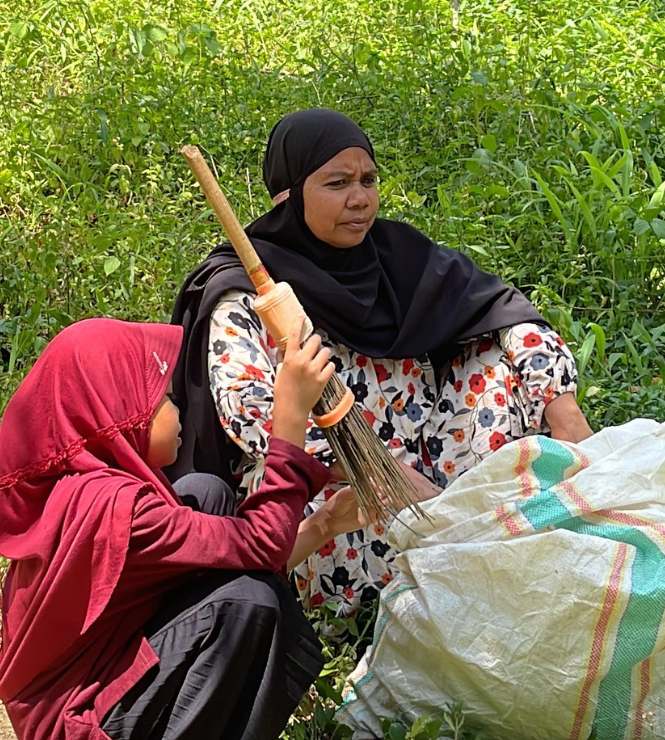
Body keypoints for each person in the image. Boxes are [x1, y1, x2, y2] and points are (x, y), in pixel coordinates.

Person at [169, 109, 594, 628]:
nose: (360, 199)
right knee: (297, 488)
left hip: (430, 466)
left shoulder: (398, 257)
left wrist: (565, 412)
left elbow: (504, 310)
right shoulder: (244, 289)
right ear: (289, 195)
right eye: (337, 183)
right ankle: (419, 584)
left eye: (368, 180)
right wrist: (382, 476)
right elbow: (252, 414)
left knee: (499, 359)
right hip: (337, 498)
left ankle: (484, 542)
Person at [0, 317, 374, 740]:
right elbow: (259, 549)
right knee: (247, 605)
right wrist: (289, 418)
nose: (179, 411)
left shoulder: (94, 486)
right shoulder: (119, 513)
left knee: (204, 494)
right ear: (118, 417)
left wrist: (322, 525)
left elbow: (243, 551)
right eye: (164, 400)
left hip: (81, 705)